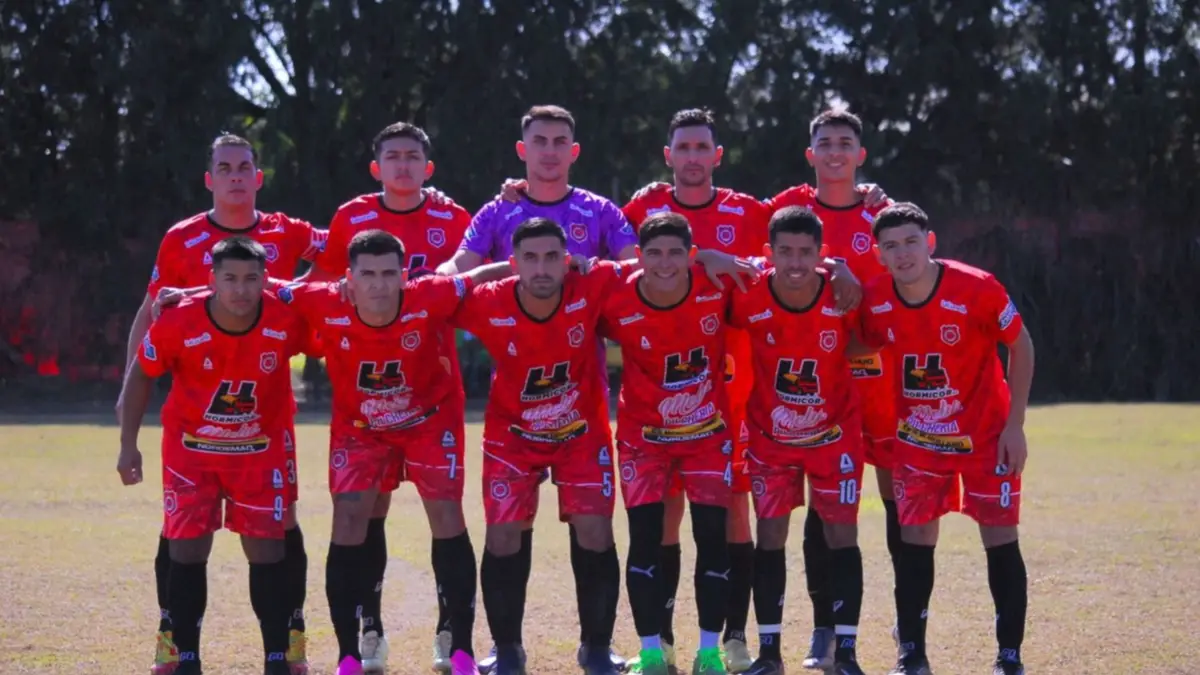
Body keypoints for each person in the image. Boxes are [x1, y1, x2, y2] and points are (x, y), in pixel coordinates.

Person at [620, 108, 865, 674]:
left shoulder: (751, 210)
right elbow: (620, 261)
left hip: (749, 376)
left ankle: (732, 637)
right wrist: (698, 256)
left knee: (734, 512)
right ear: (668, 156)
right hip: (669, 379)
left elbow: (796, 245)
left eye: (701, 147)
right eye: (683, 147)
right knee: (665, 516)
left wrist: (840, 263)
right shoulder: (641, 208)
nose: (692, 157)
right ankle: (662, 642)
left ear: (717, 155)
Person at [437, 104, 639, 672]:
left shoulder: (600, 211)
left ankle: (596, 648)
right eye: (539, 141)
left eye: (559, 141)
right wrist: (453, 280)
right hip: (514, 415)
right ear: (522, 150)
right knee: (505, 533)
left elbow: (637, 269)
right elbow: (454, 272)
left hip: (582, 407)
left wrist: (590, 267)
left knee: (595, 528)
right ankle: (506, 649)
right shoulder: (498, 210)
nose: (549, 151)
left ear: (574, 151)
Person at [121, 134, 326, 675]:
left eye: (244, 167)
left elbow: (345, 253)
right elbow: (152, 311)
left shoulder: (287, 232)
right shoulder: (182, 239)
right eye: (225, 168)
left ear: (258, 177)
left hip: (265, 421)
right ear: (209, 179)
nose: (235, 176)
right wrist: (127, 392)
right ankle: (174, 639)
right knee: (182, 534)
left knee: (279, 529)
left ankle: (288, 636)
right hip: (196, 415)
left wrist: (302, 292)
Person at [276, 230, 512, 675]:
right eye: (367, 275)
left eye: (389, 274)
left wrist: (554, 266)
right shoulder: (322, 300)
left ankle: (460, 647)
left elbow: (482, 275)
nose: (379, 285)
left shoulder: (430, 294)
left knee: (446, 515)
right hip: (361, 429)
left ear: (404, 276)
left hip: (430, 421)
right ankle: (349, 654)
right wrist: (184, 295)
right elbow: (264, 286)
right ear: (349, 279)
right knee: (349, 520)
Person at [303, 122, 473, 674]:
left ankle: (452, 633)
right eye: (392, 156)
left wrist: (513, 197)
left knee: (444, 513)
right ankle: (367, 629)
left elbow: (491, 263)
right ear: (376, 167)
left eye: (412, 156)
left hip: (430, 391)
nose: (403, 165)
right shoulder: (351, 217)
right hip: (365, 399)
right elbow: (315, 284)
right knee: (364, 511)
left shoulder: (453, 217)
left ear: (429, 167)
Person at [858, 203, 1034, 675]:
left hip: (986, 438)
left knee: (1000, 538)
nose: (903, 254)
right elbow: (858, 343)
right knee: (914, 540)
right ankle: (912, 654)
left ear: (930, 242)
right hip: (918, 440)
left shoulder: (977, 287)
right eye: (891, 246)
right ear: (879, 255)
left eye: (911, 242)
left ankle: (1009, 657)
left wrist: (1015, 426)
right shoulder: (875, 298)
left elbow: (1021, 345)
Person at [765, 108, 899, 668]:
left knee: (900, 507)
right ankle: (824, 629)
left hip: (883, 383)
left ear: (861, 154)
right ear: (811, 153)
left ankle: (905, 627)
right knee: (823, 510)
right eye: (825, 143)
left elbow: (913, 266)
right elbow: (755, 253)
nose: (836, 152)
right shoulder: (788, 207)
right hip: (815, 391)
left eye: (846, 142)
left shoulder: (882, 212)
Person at [597, 212, 743, 675]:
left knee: (712, 538)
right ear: (638, 257)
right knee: (645, 540)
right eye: (655, 253)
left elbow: (782, 266)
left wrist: (837, 269)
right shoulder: (615, 291)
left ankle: (709, 653)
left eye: (676, 253)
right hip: (643, 440)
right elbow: (568, 273)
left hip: (707, 437)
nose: (665, 263)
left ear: (692, 256)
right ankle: (652, 653)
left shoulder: (716, 285)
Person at [727, 207, 871, 675]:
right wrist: (707, 255)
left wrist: (844, 271)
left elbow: (870, 338)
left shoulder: (842, 293)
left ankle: (845, 653)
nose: (794, 262)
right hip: (771, 437)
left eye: (805, 252)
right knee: (770, 535)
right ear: (768, 253)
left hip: (834, 435)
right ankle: (769, 653)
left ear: (820, 253)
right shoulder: (748, 293)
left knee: (841, 534)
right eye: (784, 251)